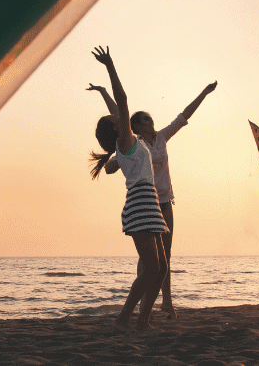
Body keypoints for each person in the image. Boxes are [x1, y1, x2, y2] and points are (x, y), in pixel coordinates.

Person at [91, 79, 217, 319]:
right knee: (150, 262)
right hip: (144, 204)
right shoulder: (133, 143)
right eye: (146, 119)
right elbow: (119, 111)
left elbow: (183, 116)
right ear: (135, 126)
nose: (151, 121)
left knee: (162, 260)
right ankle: (138, 309)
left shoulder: (159, 138)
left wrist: (205, 92)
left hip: (162, 203)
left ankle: (162, 304)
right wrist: (115, 161)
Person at [87, 46, 168, 332]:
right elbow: (122, 101)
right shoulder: (125, 143)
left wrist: (100, 92)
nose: (119, 116)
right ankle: (126, 319)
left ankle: (141, 321)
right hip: (141, 205)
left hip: (149, 203)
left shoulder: (128, 143)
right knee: (153, 270)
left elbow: (115, 107)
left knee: (159, 270)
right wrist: (109, 66)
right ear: (117, 129)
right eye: (117, 119)